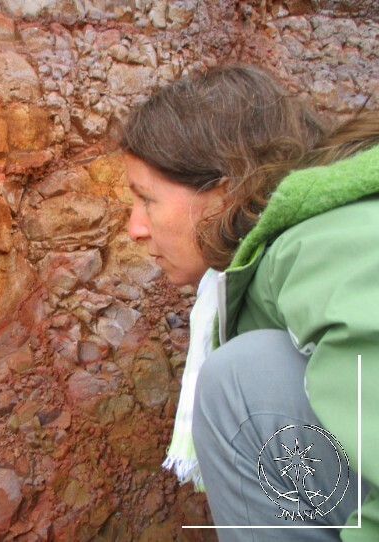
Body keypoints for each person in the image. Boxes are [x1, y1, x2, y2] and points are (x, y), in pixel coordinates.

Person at [121, 64, 379, 541]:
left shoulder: (323, 247)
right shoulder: (314, 239)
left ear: (225, 188)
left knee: (242, 379)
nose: (134, 227)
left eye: (146, 199)